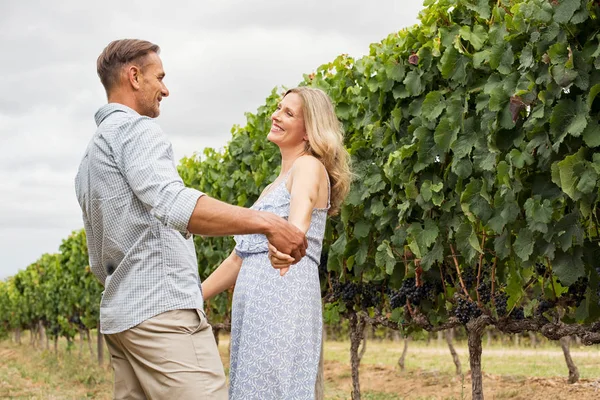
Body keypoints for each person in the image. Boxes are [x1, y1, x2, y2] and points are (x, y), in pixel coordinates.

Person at [74, 39, 308, 400]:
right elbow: (177, 204)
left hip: (122, 319)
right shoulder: (135, 130)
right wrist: (269, 223)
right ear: (134, 77)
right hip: (160, 316)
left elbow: (96, 260)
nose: (165, 89)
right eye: (159, 78)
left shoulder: (90, 156)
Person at [201, 87, 352, 399]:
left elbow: (301, 211)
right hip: (254, 310)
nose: (276, 115)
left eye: (288, 113)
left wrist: (290, 241)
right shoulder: (272, 187)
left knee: (275, 387)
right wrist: (192, 297)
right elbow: (237, 259)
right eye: (278, 108)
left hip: (282, 301)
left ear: (310, 131)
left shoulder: (308, 166)